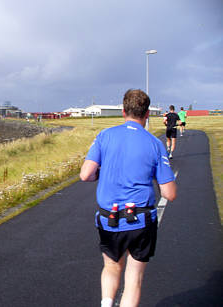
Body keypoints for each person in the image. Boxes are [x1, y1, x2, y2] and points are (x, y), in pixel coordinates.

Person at [80, 89, 177, 307]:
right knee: (133, 279)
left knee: (112, 267)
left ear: (123, 111)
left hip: (109, 218)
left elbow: (86, 174)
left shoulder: (104, 136)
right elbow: (169, 194)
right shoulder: (155, 144)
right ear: (146, 115)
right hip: (141, 220)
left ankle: (106, 303)